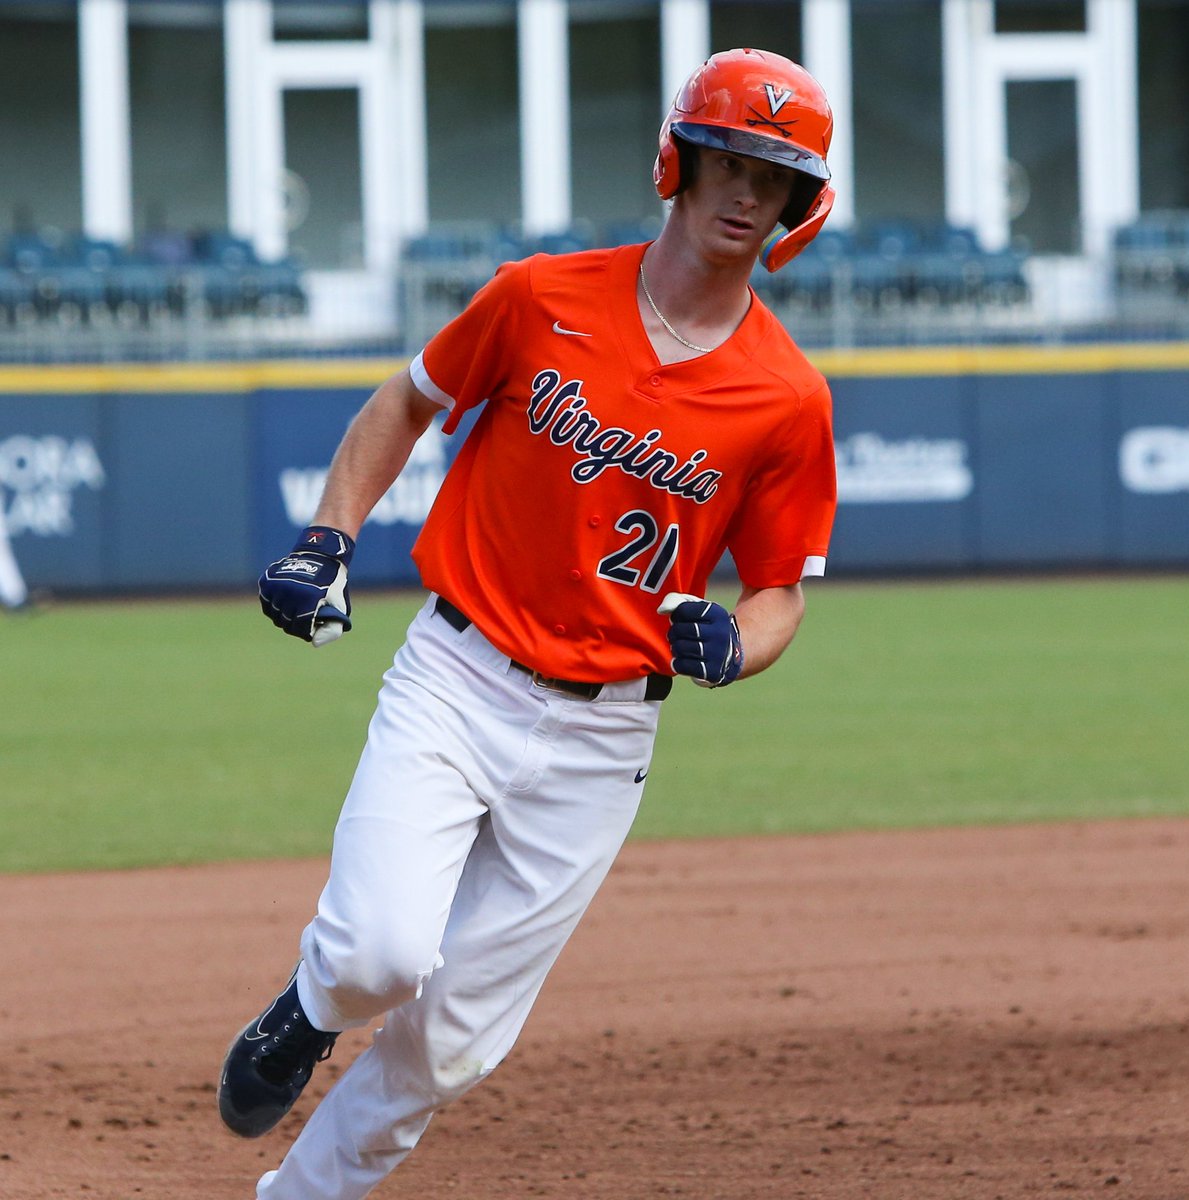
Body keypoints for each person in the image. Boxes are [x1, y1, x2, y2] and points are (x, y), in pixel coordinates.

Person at [219, 46, 839, 1199]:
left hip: (604, 743)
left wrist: (737, 646)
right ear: (679, 162)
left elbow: (780, 590)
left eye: (778, 176)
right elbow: (408, 401)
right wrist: (328, 538)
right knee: (376, 957)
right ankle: (306, 1009)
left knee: (452, 1042)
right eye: (727, 160)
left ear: (806, 207)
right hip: (459, 676)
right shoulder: (541, 295)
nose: (747, 193)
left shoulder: (789, 394)